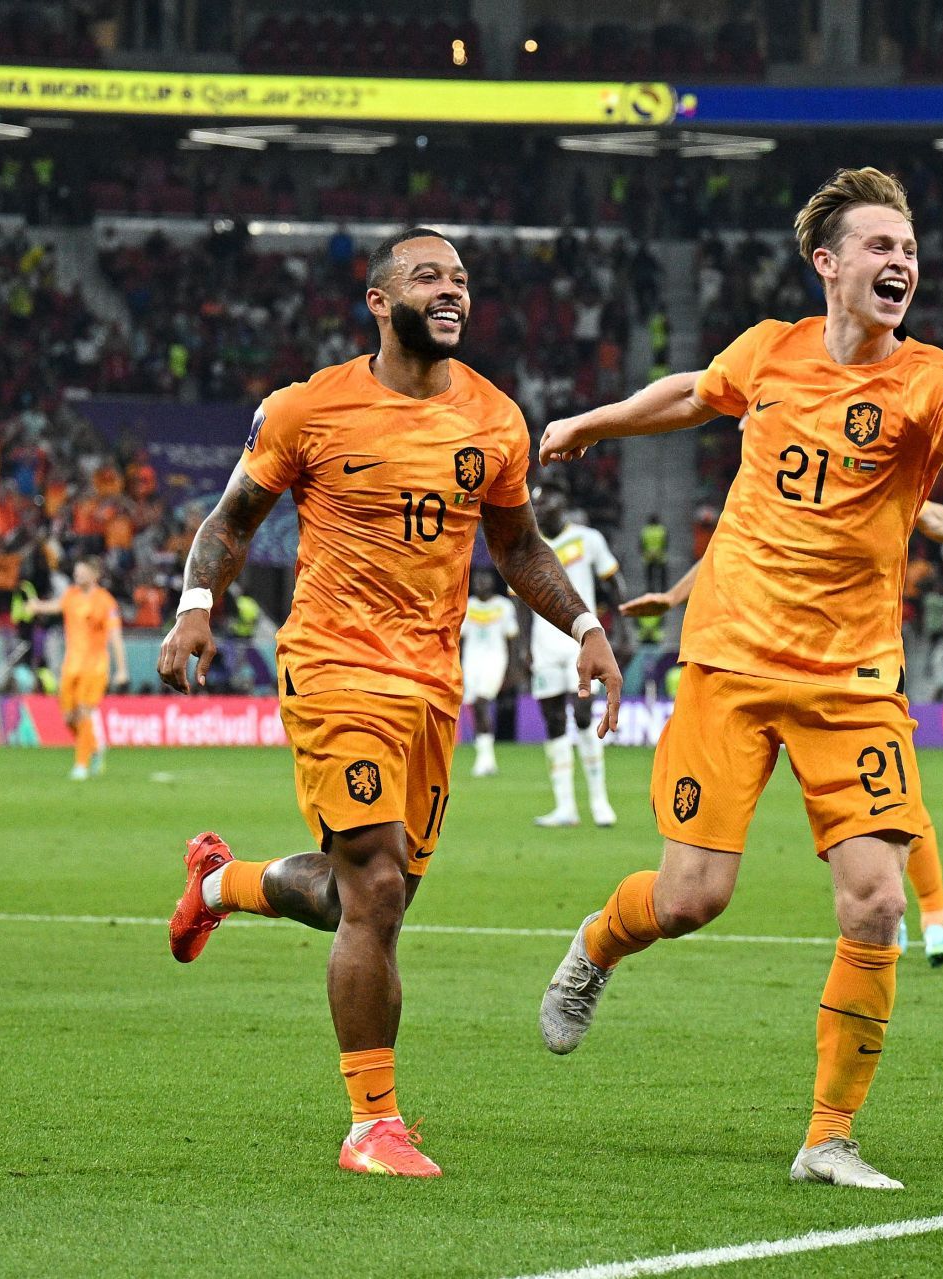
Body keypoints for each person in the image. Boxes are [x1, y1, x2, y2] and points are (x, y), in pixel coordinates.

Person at [534, 167, 943, 1189]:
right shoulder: (770, 350)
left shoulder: (926, 379)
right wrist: (595, 422)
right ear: (828, 262)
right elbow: (689, 392)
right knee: (692, 897)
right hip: (730, 663)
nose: (902, 262)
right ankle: (596, 944)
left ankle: (828, 1136)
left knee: (877, 901)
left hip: (852, 680)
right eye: (881, 246)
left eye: (911, 250)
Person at [158, 226, 624, 1179]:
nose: (451, 290)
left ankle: (219, 882)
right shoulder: (308, 407)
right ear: (379, 301)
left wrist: (584, 628)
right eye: (428, 276)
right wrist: (196, 608)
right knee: (373, 887)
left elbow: (521, 547)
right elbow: (230, 518)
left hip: (430, 685)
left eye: (460, 278)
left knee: (363, 898)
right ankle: (372, 1122)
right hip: (333, 665)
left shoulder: (494, 419)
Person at [621, 497, 943, 969]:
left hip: (860, 666)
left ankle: (935, 922)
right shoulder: (774, 478)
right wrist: (675, 598)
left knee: (902, 808)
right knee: (891, 813)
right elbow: (727, 551)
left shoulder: (856, 471)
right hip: (773, 668)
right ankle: (924, 920)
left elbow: (932, 514)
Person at [528, 486, 625, 828]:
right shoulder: (531, 545)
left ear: (563, 503)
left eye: (546, 500)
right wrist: (524, 648)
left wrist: (622, 631)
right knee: (554, 722)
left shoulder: (588, 539)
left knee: (583, 715)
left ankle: (600, 802)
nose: (539, 506)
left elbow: (613, 584)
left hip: (580, 643)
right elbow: (519, 601)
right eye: (535, 501)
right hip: (543, 647)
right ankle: (565, 807)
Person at [26, 560, 129, 779]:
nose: (77, 575)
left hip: (95, 665)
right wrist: (37, 606)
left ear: (95, 575)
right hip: (71, 665)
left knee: (84, 712)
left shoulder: (105, 602)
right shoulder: (71, 595)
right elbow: (57, 606)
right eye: (76, 572)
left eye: (82, 572)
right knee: (69, 718)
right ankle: (94, 746)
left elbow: (115, 637)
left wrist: (121, 669)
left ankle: (81, 764)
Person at [460, 567, 518, 777]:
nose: (480, 583)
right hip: (471, 662)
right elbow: (461, 639)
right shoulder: (468, 605)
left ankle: (484, 758)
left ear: (493, 581)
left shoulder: (503, 606)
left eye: (484, 578)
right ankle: (487, 759)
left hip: (495, 660)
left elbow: (511, 638)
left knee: (481, 703)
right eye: (477, 579)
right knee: (476, 707)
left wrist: (511, 669)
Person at [639, 512, 669, 593]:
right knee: (663, 574)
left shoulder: (645, 530)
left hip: (648, 556)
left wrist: (643, 552)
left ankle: (650, 589)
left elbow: (641, 544)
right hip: (660, 555)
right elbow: (665, 543)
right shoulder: (662, 530)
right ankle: (663, 589)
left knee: (649, 575)